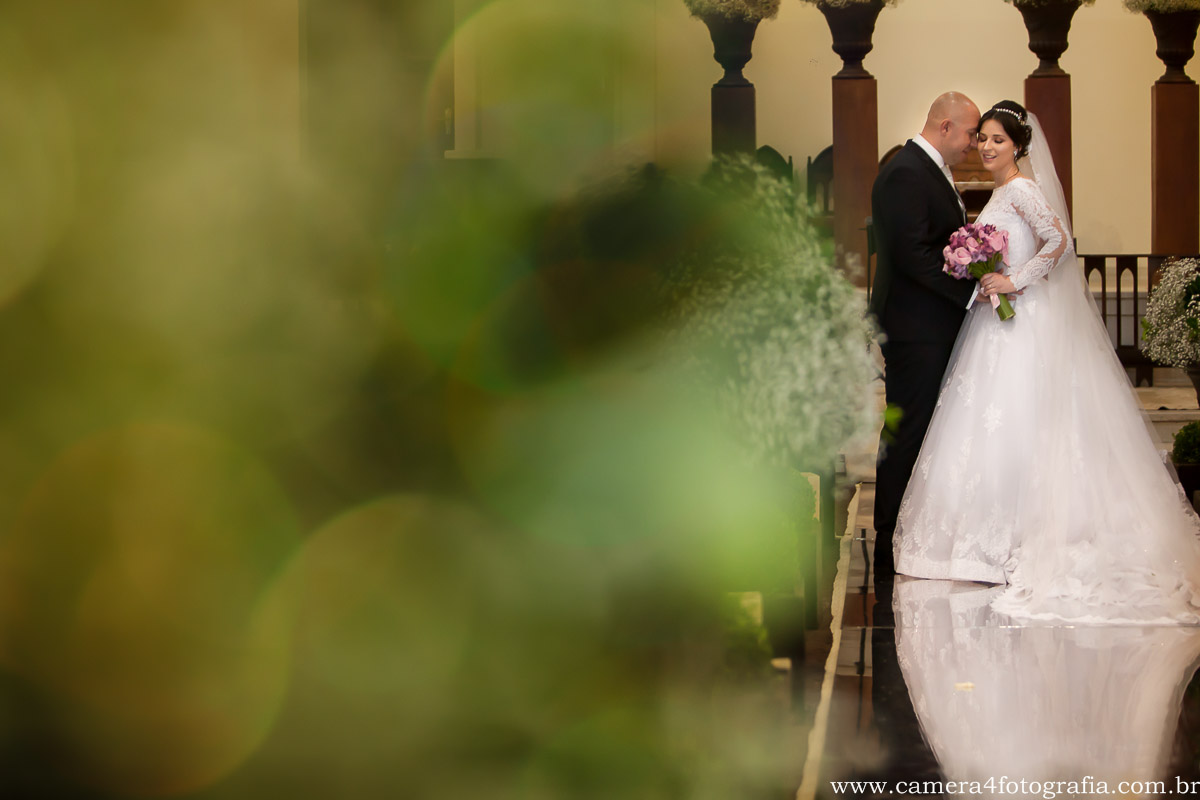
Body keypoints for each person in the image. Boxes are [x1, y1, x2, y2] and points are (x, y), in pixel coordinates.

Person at [893, 99, 1200, 624]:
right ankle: (982, 540)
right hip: (995, 324)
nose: (987, 147)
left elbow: (1059, 240)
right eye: (983, 138)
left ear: (1020, 147)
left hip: (1020, 323)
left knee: (1022, 421)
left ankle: (1014, 539)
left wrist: (1014, 279)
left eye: (998, 141)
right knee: (992, 425)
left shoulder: (1022, 190)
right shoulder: (1002, 192)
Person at [869, 92, 982, 580]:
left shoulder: (926, 169)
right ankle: (889, 535)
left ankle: (910, 530)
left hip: (928, 323)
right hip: (916, 328)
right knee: (907, 429)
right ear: (944, 127)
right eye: (970, 134)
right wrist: (969, 295)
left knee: (922, 430)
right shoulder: (906, 173)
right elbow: (914, 255)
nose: (973, 145)